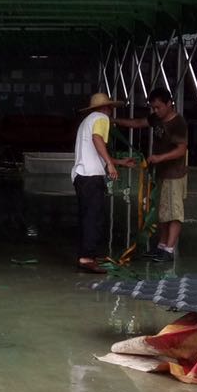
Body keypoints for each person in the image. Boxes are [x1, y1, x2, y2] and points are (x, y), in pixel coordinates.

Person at [72, 92, 138, 272]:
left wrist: (118, 162)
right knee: (94, 217)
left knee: (88, 216)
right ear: (106, 108)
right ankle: (86, 258)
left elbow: (93, 151)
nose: (111, 111)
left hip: (82, 175)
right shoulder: (101, 118)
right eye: (111, 107)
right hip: (91, 176)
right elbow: (97, 139)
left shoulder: (87, 121)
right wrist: (110, 164)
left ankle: (87, 254)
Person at [136, 87, 189, 263]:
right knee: (162, 213)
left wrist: (160, 157)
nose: (155, 111)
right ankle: (161, 246)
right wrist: (113, 120)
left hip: (174, 174)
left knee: (174, 213)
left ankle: (169, 249)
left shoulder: (178, 123)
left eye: (158, 107)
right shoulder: (157, 119)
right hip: (162, 174)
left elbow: (181, 150)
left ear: (169, 104)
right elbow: (139, 123)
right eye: (153, 108)